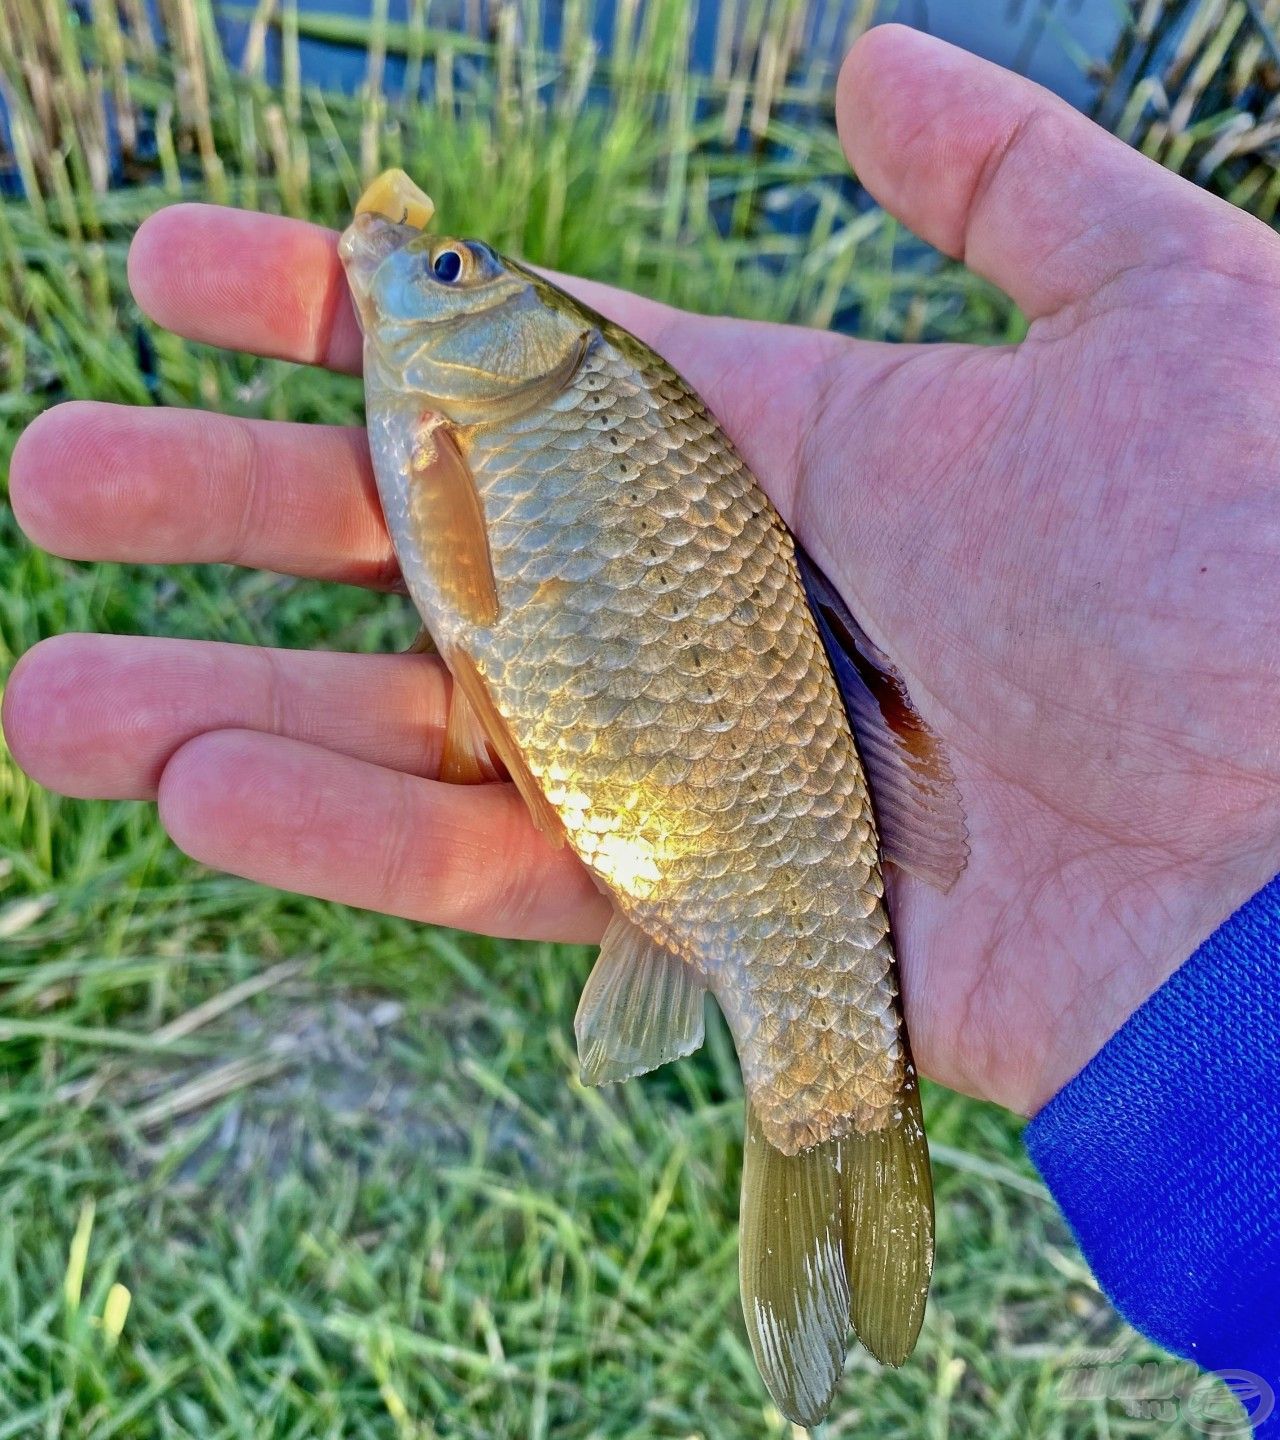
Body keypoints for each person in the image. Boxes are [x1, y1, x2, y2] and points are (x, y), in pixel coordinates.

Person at [4, 23, 1277, 1430]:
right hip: (717, 807)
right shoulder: (508, 406)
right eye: (450, 265)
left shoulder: (521, 402)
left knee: (796, 1022)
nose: (423, 276)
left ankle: (827, 1122)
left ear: (510, 332)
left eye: (451, 273)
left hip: (744, 818)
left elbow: (470, 585)